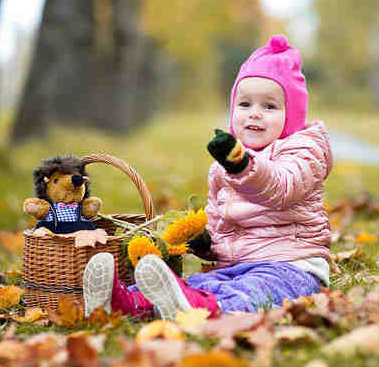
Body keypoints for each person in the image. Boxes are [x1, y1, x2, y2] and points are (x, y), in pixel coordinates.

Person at [83, 34, 333, 320]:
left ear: (292, 114)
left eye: (270, 106)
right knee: (203, 282)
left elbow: (280, 187)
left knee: (255, 291)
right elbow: (222, 220)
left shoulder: (303, 150)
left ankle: (203, 309)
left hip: (291, 266)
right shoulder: (224, 163)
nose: (255, 114)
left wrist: (241, 164)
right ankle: (128, 301)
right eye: (245, 104)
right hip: (234, 267)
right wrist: (206, 242)